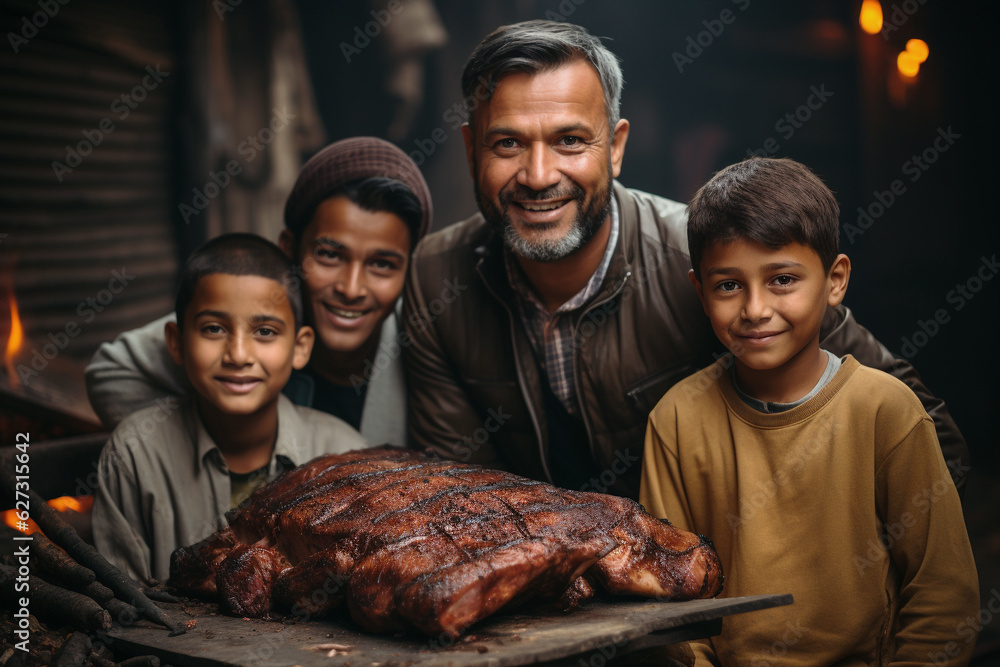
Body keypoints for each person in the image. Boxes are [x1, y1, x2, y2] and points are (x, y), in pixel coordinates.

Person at [402, 19, 969, 498]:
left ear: (617, 148)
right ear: (472, 150)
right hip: (540, 605)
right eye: (508, 144)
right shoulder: (436, 277)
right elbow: (455, 495)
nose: (539, 175)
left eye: (571, 141)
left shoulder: (710, 265)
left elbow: (931, 441)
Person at [639, 157, 978, 665]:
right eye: (729, 285)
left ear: (835, 280)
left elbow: (943, 597)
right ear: (700, 292)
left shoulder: (885, 409)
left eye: (782, 280)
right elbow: (671, 606)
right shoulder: (676, 420)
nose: (755, 309)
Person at [85, 137, 432, 446]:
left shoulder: (428, 349)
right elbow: (112, 373)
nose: (351, 288)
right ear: (289, 249)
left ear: (409, 271)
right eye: (328, 255)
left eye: (383, 264)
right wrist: (211, 445)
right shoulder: (249, 319)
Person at [92, 234, 370, 582]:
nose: (238, 355)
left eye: (265, 331)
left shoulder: (344, 453)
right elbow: (119, 602)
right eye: (213, 328)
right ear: (176, 343)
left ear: (300, 348)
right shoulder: (135, 453)